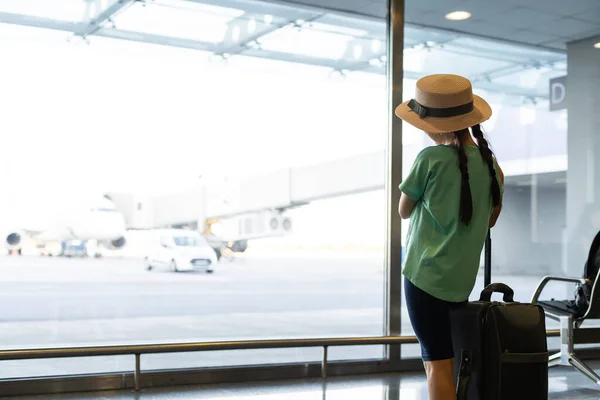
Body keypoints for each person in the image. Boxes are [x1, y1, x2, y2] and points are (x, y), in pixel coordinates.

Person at [395, 74, 505, 400]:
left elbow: (403, 210)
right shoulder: (491, 166)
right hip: (460, 281)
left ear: (439, 126)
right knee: (451, 362)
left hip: (424, 276)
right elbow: (491, 220)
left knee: (437, 367)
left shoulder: (429, 159)